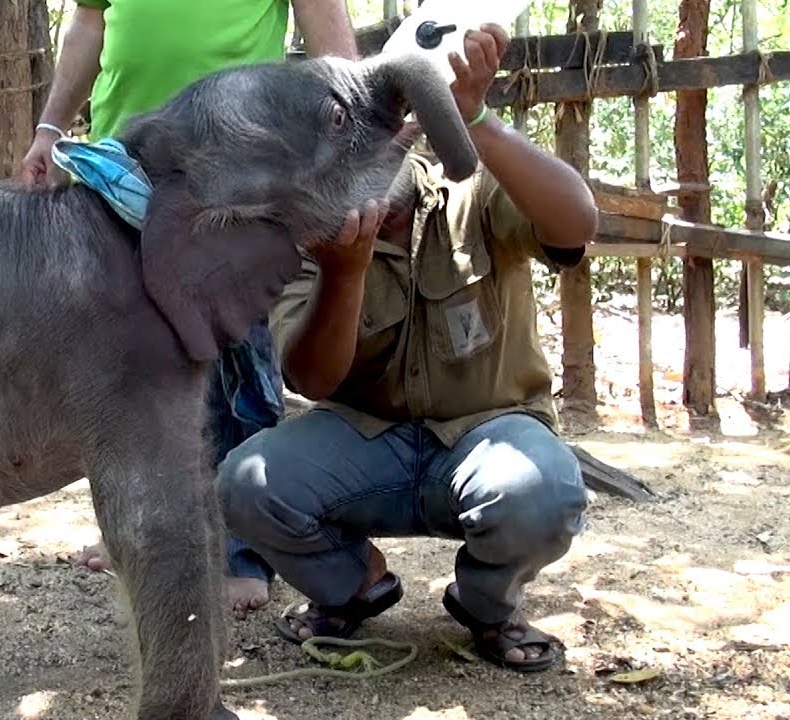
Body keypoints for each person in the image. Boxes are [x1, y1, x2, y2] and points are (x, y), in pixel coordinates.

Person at [215, 23, 597, 673]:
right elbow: (313, 378)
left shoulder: (468, 181)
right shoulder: (302, 237)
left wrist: (477, 120)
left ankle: (487, 605)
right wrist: (346, 272)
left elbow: (577, 222)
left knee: (545, 492)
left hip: (490, 433)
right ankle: (353, 584)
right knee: (244, 483)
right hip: (367, 444)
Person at [20, 0, 359, 616]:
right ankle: (137, 529)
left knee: (235, 362)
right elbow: (90, 25)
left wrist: (350, 141)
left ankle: (240, 551)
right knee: (128, 369)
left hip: (235, 174)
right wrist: (49, 128)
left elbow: (328, 32)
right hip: (123, 169)